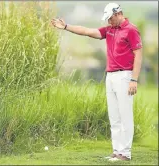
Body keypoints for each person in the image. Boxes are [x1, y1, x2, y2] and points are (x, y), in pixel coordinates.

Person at [51, 2, 142, 161]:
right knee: (114, 116)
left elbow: (138, 55)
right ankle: (116, 151)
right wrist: (66, 27)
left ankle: (125, 153)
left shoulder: (131, 30)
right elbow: (87, 31)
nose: (108, 22)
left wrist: (134, 79)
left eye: (110, 18)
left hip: (125, 76)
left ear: (117, 14)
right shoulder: (110, 30)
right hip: (111, 76)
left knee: (125, 115)